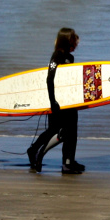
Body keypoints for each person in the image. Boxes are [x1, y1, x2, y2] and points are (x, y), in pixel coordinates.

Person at [28, 27, 86, 174]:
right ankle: (36, 151)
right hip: (58, 102)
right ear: (68, 42)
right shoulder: (56, 57)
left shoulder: (69, 58)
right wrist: (53, 101)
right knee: (56, 131)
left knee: (71, 131)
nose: (76, 45)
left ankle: (68, 162)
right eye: (74, 42)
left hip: (69, 101)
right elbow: (50, 78)